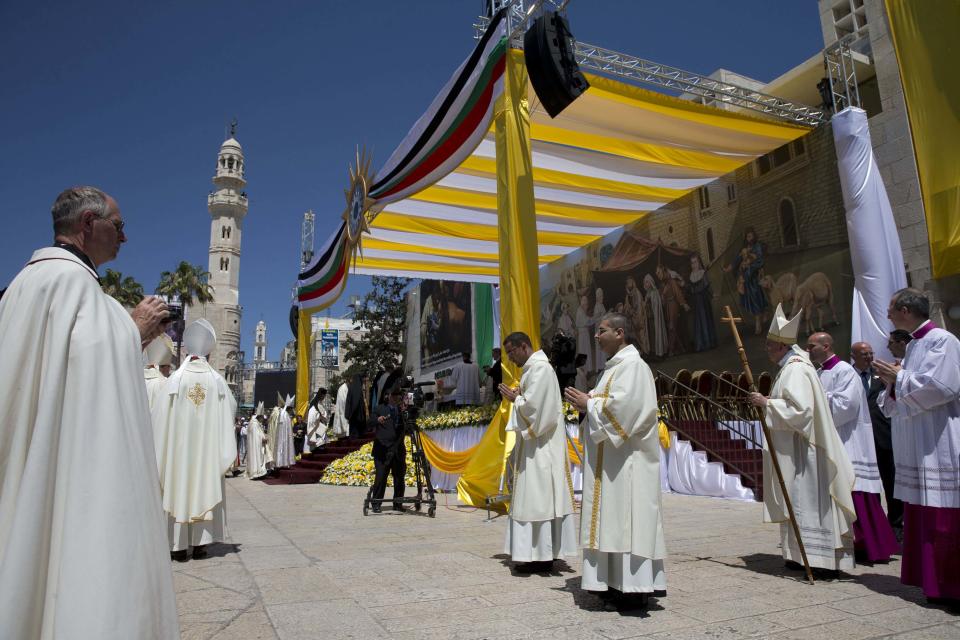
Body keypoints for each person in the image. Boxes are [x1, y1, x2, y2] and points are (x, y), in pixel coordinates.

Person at [0, 186, 179, 638]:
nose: (124, 238)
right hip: (68, 470)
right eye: (118, 226)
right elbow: (91, 371)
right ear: (86, 224)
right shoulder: (71, 284)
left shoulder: (23, 283)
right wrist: (135, 327)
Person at [564, 313, 666, 611]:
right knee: (613, 523)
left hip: (629, 464)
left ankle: (633, 590)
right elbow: (608, 403)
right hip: (613, 463)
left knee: (627, 522)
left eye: (602, 331)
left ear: (620, 333)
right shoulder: (614, 369)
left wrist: (589, 403)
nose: (596, 336)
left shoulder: (633, 367)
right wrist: (588, 403)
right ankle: (613, 583)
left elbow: (628, 411)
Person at [747, 304, 856, 577]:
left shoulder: (795, 369)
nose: (767, 350)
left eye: (769, 345)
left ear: (781, 346)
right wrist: (772, 402)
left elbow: (801, 412)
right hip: (800, 447)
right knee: (799, 502)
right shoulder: (795, 366)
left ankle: (820, 560)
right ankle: (800, 554)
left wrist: (766, 404)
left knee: (808, 501)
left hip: (807, 451)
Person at [875, 288, 960, 606]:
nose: (888, 315)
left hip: (939, 441)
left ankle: (951, 586)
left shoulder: (942, 341)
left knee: (944, 518)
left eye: (891, 308)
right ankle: (933, 583)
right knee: (924, 515)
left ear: (907, 310)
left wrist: (899, 378)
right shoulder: (913, 345)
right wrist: (892, 383)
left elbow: (942, 387)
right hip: (919, 444)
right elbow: (906, 391)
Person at [808, 333, 899, 562]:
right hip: (832, 441)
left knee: (856, 496)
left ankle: (869, 546)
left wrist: (813, 400)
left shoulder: (844, 371)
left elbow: (845, 407)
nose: (808, 349)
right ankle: (848, 543)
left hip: (849, 442)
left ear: (826, 346)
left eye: (812, 346)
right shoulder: (819, 372)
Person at [152, 319, 237, 562]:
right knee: (203, 484)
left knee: (178, 485)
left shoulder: (176, 379)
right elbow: (229, 408)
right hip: (206, 453)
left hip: (178, 453)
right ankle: (200, 545)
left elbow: (159, 414)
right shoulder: (217, 381)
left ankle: (177, 545)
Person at [498, 332, 576, 572]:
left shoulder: (540, 370)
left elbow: (537, 410)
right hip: (534, 445)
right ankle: (537, 553)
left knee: (538, 499)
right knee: (534, 498)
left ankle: (541, 556)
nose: (510, 359)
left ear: (524, 346)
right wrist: (519, 398)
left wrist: (516, 400)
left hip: (541, 448)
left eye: (512, 352)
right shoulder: (532, 370)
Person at [851, 341, 903, 535]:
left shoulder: (881, 375)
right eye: (864, 354)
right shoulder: (848, 375)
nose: (869, 357)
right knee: (867, 484)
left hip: (883, 436)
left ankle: (896, 525)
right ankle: (874, 525)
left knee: (891, 481)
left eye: (871, 353)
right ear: (854, 355)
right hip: (859, 439)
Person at [367, 386, 407, 512]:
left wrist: (405, 412)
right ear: (388, 396)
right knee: (381, 477)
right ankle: (376, 503)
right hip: (382, 449)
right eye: (394, 395)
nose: (396, 398)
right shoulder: (379, 408)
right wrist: (377, 420)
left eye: (398, 395)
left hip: (398, 449)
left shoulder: (402, 410)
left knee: (399, 477)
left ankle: (398, 503)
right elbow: (369, 422)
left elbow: (408, 426)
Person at [724, 227, 768, 335]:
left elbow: (759, 259)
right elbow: (737, 260)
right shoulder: (744, 248)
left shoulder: (757, 247)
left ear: (754, 236)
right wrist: (728, 268)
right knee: (752, 300)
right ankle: (760, 316)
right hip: (746, 278)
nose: (749, 238)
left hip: (754, 277)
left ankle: (758, 322)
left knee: (756, 298)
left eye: (751, 236)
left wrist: (750, 262)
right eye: (747, 236)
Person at [686, 254, 717, 352]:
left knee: (705, 320)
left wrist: (713, 295)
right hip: (696, 302)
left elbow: (706, 287)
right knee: (698, 322)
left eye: (695, 262)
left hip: (704, 301)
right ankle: (701, 344)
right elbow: (691, 290)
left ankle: (709, 342)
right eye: (692, 263)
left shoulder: (703, 273)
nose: (694, 264)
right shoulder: (691, 275)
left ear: (699, 263)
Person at [657, 265, 689, 356]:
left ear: (663, 272)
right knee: (672, 328)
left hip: (673, 305)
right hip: (668, 306)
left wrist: (683, 304)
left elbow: (677, 293)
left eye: (659, 272)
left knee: (671, 327)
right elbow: (663, 297)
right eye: (657, 273)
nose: (658, 275)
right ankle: (681, 348)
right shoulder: (664, 284)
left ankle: (671, 350)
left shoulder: (671, 281)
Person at [144, 334, 176, 411]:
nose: (169, 371)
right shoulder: (165, 383)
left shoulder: (138, 380)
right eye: (169, 367)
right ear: (163, 367)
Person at [624, 275, 649, 356]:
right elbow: (626, 306)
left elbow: (639, 306)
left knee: (642, 337)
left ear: (633, 283)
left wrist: (634, 312)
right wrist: (629, 311)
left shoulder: (637, 292)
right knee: (637, 338)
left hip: (639, 319)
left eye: (630, 282)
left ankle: (646, 353)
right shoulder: (628, 295)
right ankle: (642, 354)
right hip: (633, 320)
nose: (629, 284)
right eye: (628, 283)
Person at [643, 274, 667, 358]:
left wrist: (648, 304)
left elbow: (656, 306)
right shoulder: (647, 293)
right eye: (645, 282)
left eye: (647, 282)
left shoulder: (654, 292)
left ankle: (659, 353)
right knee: (652, 336)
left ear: (651, 282)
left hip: (655, 317)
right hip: (650, 318)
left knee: (656, 334)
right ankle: (654, 352)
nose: (646, 284)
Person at [245, 402, 269, 480]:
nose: (263, 420)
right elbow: (256, 436)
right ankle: (257, 473)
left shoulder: (254, 422)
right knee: (257, 458)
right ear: (260, 417)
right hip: (256, 445)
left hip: (255, 445)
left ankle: (258, 472)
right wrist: (263, 439)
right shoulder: (254, 424)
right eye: (262, 418)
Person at [273, 396, 296, 468]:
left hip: (284, 436)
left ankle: (283, 462)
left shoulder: (284, 413)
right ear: (289, 408)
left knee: (283, 448)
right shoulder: (284, 414)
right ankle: (282, 463)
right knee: (282, 448)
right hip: (283, 436)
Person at [345, 374, 368, 439]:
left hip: (353, 417)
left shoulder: (351, 388)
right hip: (357, 416)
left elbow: (349, 402)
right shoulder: (358, 388)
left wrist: (348, 414)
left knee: (353, 435)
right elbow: (356, 402)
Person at [593, 288, 608, 371]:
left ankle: (603, 365)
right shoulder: (597, 307)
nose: (602, 297)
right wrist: (604, 316)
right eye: (600, 296)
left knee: (603, 349)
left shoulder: (601, 305)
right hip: (599, 331)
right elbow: (597, 319)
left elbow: (603, 316)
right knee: (600, 350)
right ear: (597, 297)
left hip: (602, 331)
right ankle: (600, 367)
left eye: (602, 295)